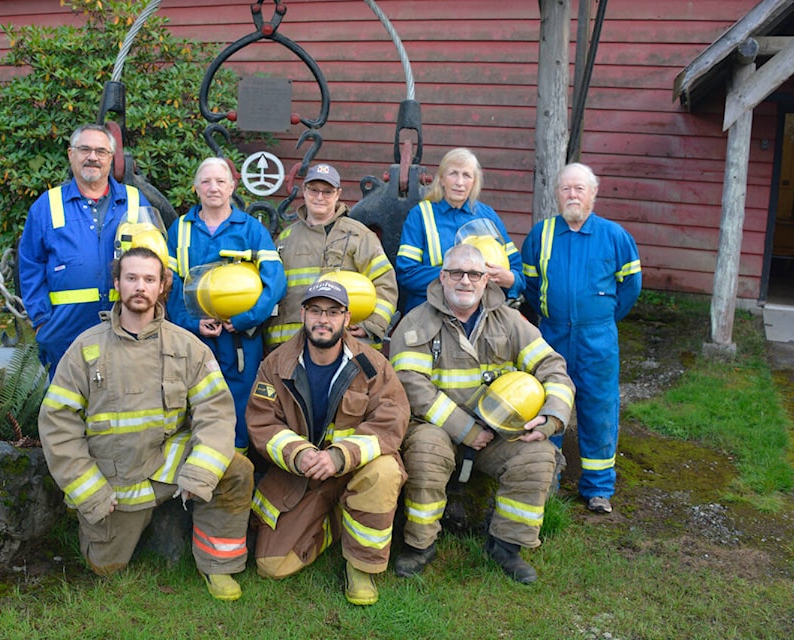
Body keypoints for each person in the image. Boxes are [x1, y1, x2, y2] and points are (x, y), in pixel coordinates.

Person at [38, 247, 254, 600]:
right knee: (105, 567)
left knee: (237, 470)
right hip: (115, 483)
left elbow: (215, 412)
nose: (141, 287)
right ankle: (133, 528)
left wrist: (200, 473)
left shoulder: (188, 347)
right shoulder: (85, 350)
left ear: (162, 287)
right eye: (132, 278)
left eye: (149, 279)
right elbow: (57, 426)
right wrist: (89, 492)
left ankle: (218, 566)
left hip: (169, 465)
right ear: (118, 283)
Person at [390, 243, 575, 583]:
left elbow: (552, 367)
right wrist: (465, 429)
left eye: (474, 274)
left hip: (498, 431)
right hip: (437, 428)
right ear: (443, 277)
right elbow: (410, 385)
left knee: (536, 455)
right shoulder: (416, 323)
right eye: (457, 273)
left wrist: (551, 418)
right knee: (427, 453)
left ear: (486, 280)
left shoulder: (509, 321)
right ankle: (420, 545)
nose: (465, 281)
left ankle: (506, 546)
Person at [246, 280, 409, 605]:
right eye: (316, 311)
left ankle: (362, 569)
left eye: (333, 312)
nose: (324, 319)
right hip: (304, 477)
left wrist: (341, 456)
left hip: (357, 471)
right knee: (271, 566)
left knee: (385, 471)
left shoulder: (373, 365)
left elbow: (393, 419)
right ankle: (339, 519)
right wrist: (299, 453)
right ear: (303, 315)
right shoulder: (276, 366)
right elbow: (262, 422)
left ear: (347, 319)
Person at [521, 163, 642, 515]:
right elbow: (529, 285)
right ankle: (547, 479)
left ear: (593, 193)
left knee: (598, 408)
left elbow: (630, 287)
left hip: (597, 339)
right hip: (552, 334)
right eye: (566, 189)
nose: (572, 195)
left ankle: (597, 488)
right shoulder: (541, 235)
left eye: (579, 189)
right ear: (557, 194)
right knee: (548, 404)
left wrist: (600, 319)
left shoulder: (615, 236)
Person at [166, 158, 287, 452]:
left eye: (220, 181)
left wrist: (247, 318)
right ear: (195, 188)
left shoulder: (251, 230)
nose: (213, 188)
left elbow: (276, 282)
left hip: (239, 340)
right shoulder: (180, 229)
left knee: (240, 405)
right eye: (206, 181)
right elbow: (169, 284)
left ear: (232, 187)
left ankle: (237, 469)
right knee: (192, 402)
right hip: (194, 337)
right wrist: (191, 323)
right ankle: (198, 467)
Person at [18, 123, 152, 378]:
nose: (93, 157)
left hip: (126, 322)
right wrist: (43, 322)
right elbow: (30, 266)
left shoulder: (135, 201)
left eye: (101, 151)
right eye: (85, 149)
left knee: (126, 400)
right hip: (65, 330)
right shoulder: (47, 206)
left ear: (111, 158)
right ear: (71, 154)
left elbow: (156, 261)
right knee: (67, 408)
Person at [264, 163, 397, 349]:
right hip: (290, 346)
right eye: (314, 190)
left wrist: (372, 324)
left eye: (327, 191)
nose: (320, 197)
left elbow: (385, 283)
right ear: (304, 190)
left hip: (346, 345)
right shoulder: (286, 238)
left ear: (338, 194)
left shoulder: (359, 236)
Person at [395, 147, 524, 313]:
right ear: (441, 179)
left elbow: (517, 272)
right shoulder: (421, 215)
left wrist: (510, 279)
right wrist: (457, 278)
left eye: (467, 175)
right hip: (431, 313)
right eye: (453, 174)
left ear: (474, 181)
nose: (460, 182)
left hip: (482, 316)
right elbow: (407, 273)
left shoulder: (488, 216)